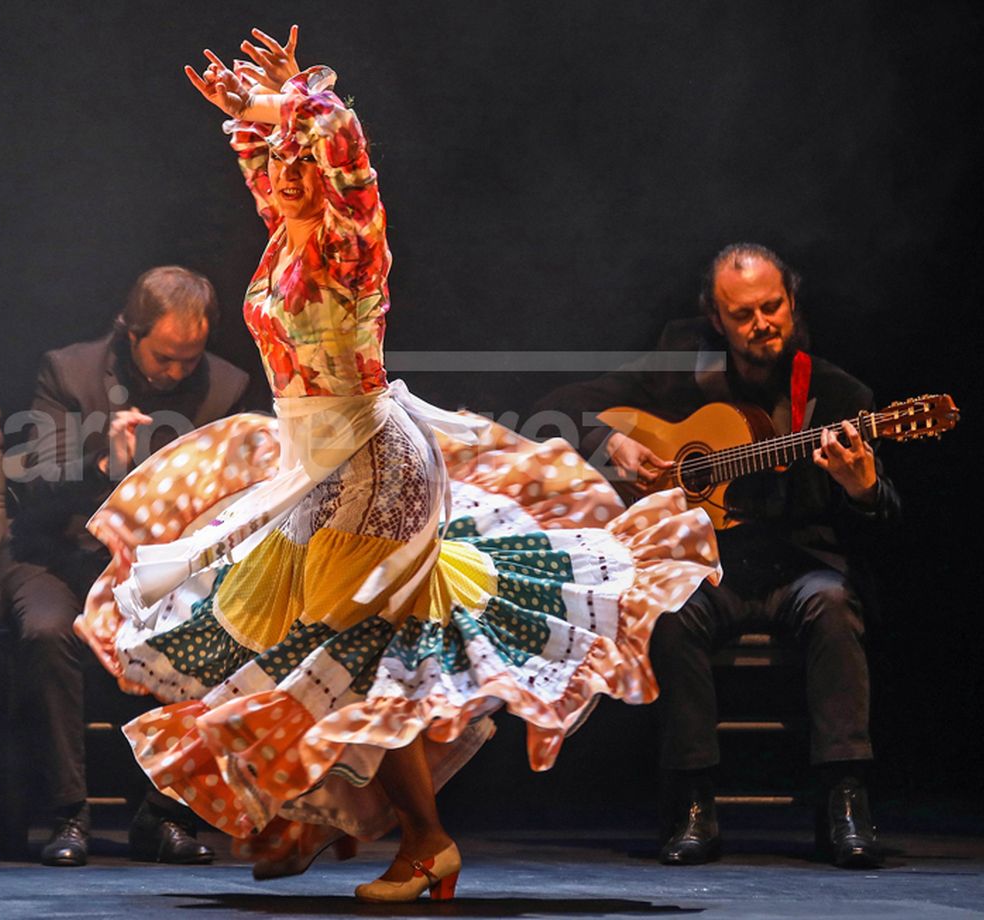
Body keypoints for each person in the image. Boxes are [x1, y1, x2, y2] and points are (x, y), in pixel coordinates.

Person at [75, 27, 720, 901]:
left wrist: (311, 103)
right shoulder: (288, 242)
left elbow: (345, 172)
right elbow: (283, 182)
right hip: (319, 462)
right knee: (296, 633)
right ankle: (326, 810)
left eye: (304, 159)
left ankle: (421, 840)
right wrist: (265, 118)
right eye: (281, 160)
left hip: (377, 467)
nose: (289, 173)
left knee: (368, 648)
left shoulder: (349, 249)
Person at [540, 243, 899, 868]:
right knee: (671, 612)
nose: (763, 324)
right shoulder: (679, 365)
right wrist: (613, 439)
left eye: (773, 306)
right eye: (744, 315)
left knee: (836, 607)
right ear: (717, 319)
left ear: (792, 301)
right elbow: (568, 400)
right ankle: (691, 803)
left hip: (799, 570)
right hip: (709, 569)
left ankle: (847, 804)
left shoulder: (839, 395)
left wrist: (862, 488)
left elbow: (886, 517)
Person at [0, 265, 250, 866]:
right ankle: (68, 816)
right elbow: (39, 477)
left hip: (161, 571)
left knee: (208, 627)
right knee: (50, 630)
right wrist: (103, 464)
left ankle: (164, 817)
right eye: (165, 357)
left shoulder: (225, 387)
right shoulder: (69, 371)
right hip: (55, 556)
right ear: (132, 333)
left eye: (190, 357)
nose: (178, 371)